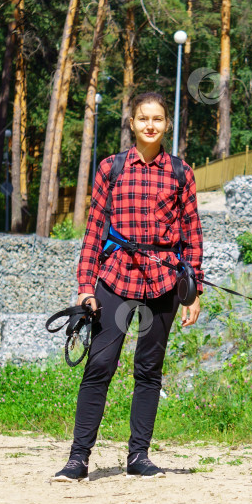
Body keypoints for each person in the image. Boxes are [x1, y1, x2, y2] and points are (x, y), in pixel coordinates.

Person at [52, 91, 204, 482]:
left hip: (165, 281)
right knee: (99, 365)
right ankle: (77, 460)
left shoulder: (181, 172)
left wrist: (194, 291)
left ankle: (138, 456)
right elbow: (94, 230)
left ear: (166, 125)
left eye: (157, 119)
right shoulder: (111, 168)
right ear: (132, 124)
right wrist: (86, 286)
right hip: (115, 278)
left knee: (149, 368)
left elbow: (193, 234)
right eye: (142, 118)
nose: (150, 125)